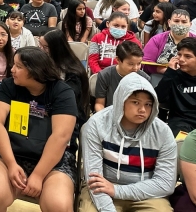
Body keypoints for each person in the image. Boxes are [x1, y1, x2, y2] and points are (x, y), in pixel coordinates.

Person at [0, 47, 79, 212]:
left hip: (53, 162)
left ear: (35, 71)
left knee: (59, 205)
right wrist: (11, 164)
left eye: (18, 66)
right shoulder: (9, 85)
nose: (12, 70)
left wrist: (39, 175)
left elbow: (61, 136)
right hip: (12, 154)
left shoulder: (62, 92)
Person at [79, 73, 176, 212]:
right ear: (121, 100)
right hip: (102, 188)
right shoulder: (96, 124)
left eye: (148, 104)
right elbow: (94, 179)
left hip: (147, 192)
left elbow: (165, 184)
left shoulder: (163, 132)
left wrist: (117, 190)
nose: (143, 110)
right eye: (135, 102)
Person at [39, 29, 90, 122]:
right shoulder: (41, 63)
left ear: (57, 48)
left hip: (66, 114)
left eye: (45, 47)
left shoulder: (73, 72)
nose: (41, 50)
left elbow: (68, 98)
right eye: (40, 45)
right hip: (43, 109)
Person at [94, 41, 150, 111]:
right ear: (118, 60)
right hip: (111, 114)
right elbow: (99, 104)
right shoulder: (105, 75)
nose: (136, 68)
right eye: (131, 64)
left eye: (139, 64)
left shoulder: (144, 79)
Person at [143, 9, 194, 75]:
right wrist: (167, 71)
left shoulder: (194, 40)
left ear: (190, 24)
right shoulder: (156, 39)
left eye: (184, 22)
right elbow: (145, 63)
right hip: (161, 77)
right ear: (169, 22)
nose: (180, 24)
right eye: (176, 21)